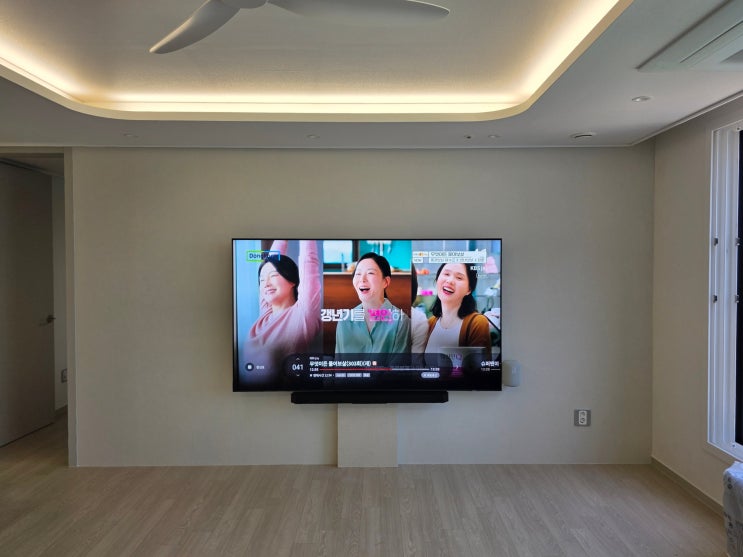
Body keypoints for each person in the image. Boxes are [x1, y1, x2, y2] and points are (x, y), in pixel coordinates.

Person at [242, 240, 322, 381]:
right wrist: (282, 236)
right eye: (262, 280)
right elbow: (272, 258)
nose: (266, 284)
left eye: (273, 276)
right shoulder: (266, 313)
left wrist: (307, 231)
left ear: (292, 281)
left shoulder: (302, 315)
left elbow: (309, 261)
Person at [335, 252, 411, 356]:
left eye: (370, 273)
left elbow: (398, 365)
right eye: (358, 274)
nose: (362, 279)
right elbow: (339, 364)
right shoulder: (345, 320)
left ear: (385, 282)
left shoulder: (400, 322)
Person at [424, 263, 492, 369]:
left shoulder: (477, 323)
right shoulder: (429, 323)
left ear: (469, 289)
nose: (450, 281)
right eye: (446, 274)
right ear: (437, 280)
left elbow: (480, 372)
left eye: (459, 277)